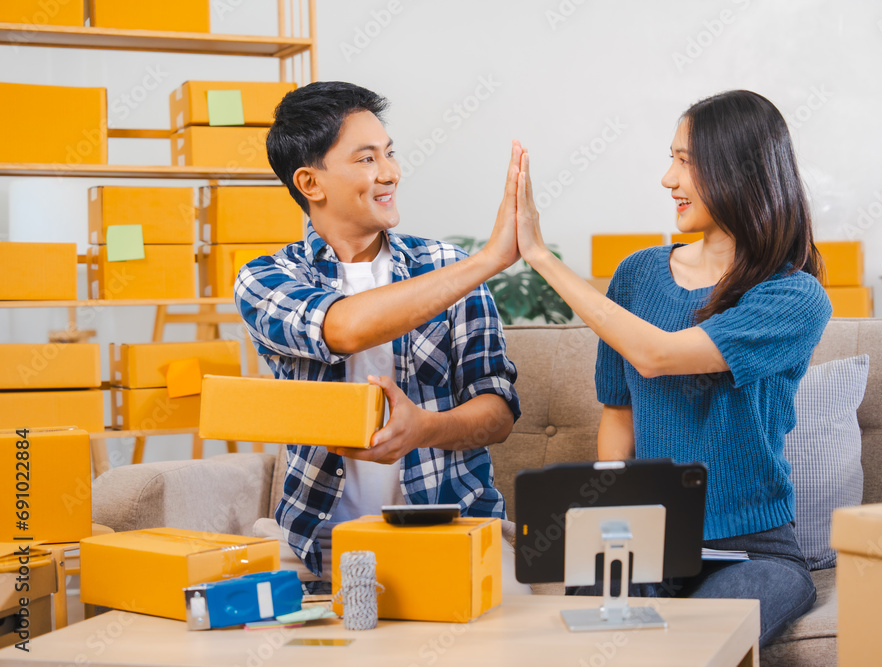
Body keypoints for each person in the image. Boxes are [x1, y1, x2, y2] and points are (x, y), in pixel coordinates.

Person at [512, 90, 832, 644]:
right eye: (672, 158)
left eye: (686, 161)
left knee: (688, 643)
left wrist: (540, 256)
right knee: (597, 640)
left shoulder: (793, 295)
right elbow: (618, 412)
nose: (668, 179)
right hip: (642, 543)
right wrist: (608, 527)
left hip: (753, 553)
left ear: (738, 171)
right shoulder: (637, 276)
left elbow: (657, 355)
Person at [236, 81, 524, 592]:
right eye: (366, 159)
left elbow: (497, 411)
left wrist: (425, 430)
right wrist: (489, 260)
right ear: (311, 182)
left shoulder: (447, 268)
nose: (389, 172)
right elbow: (342, 327)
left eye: (388, 154)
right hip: (317, 541)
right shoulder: (266, 279)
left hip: (450, 526)